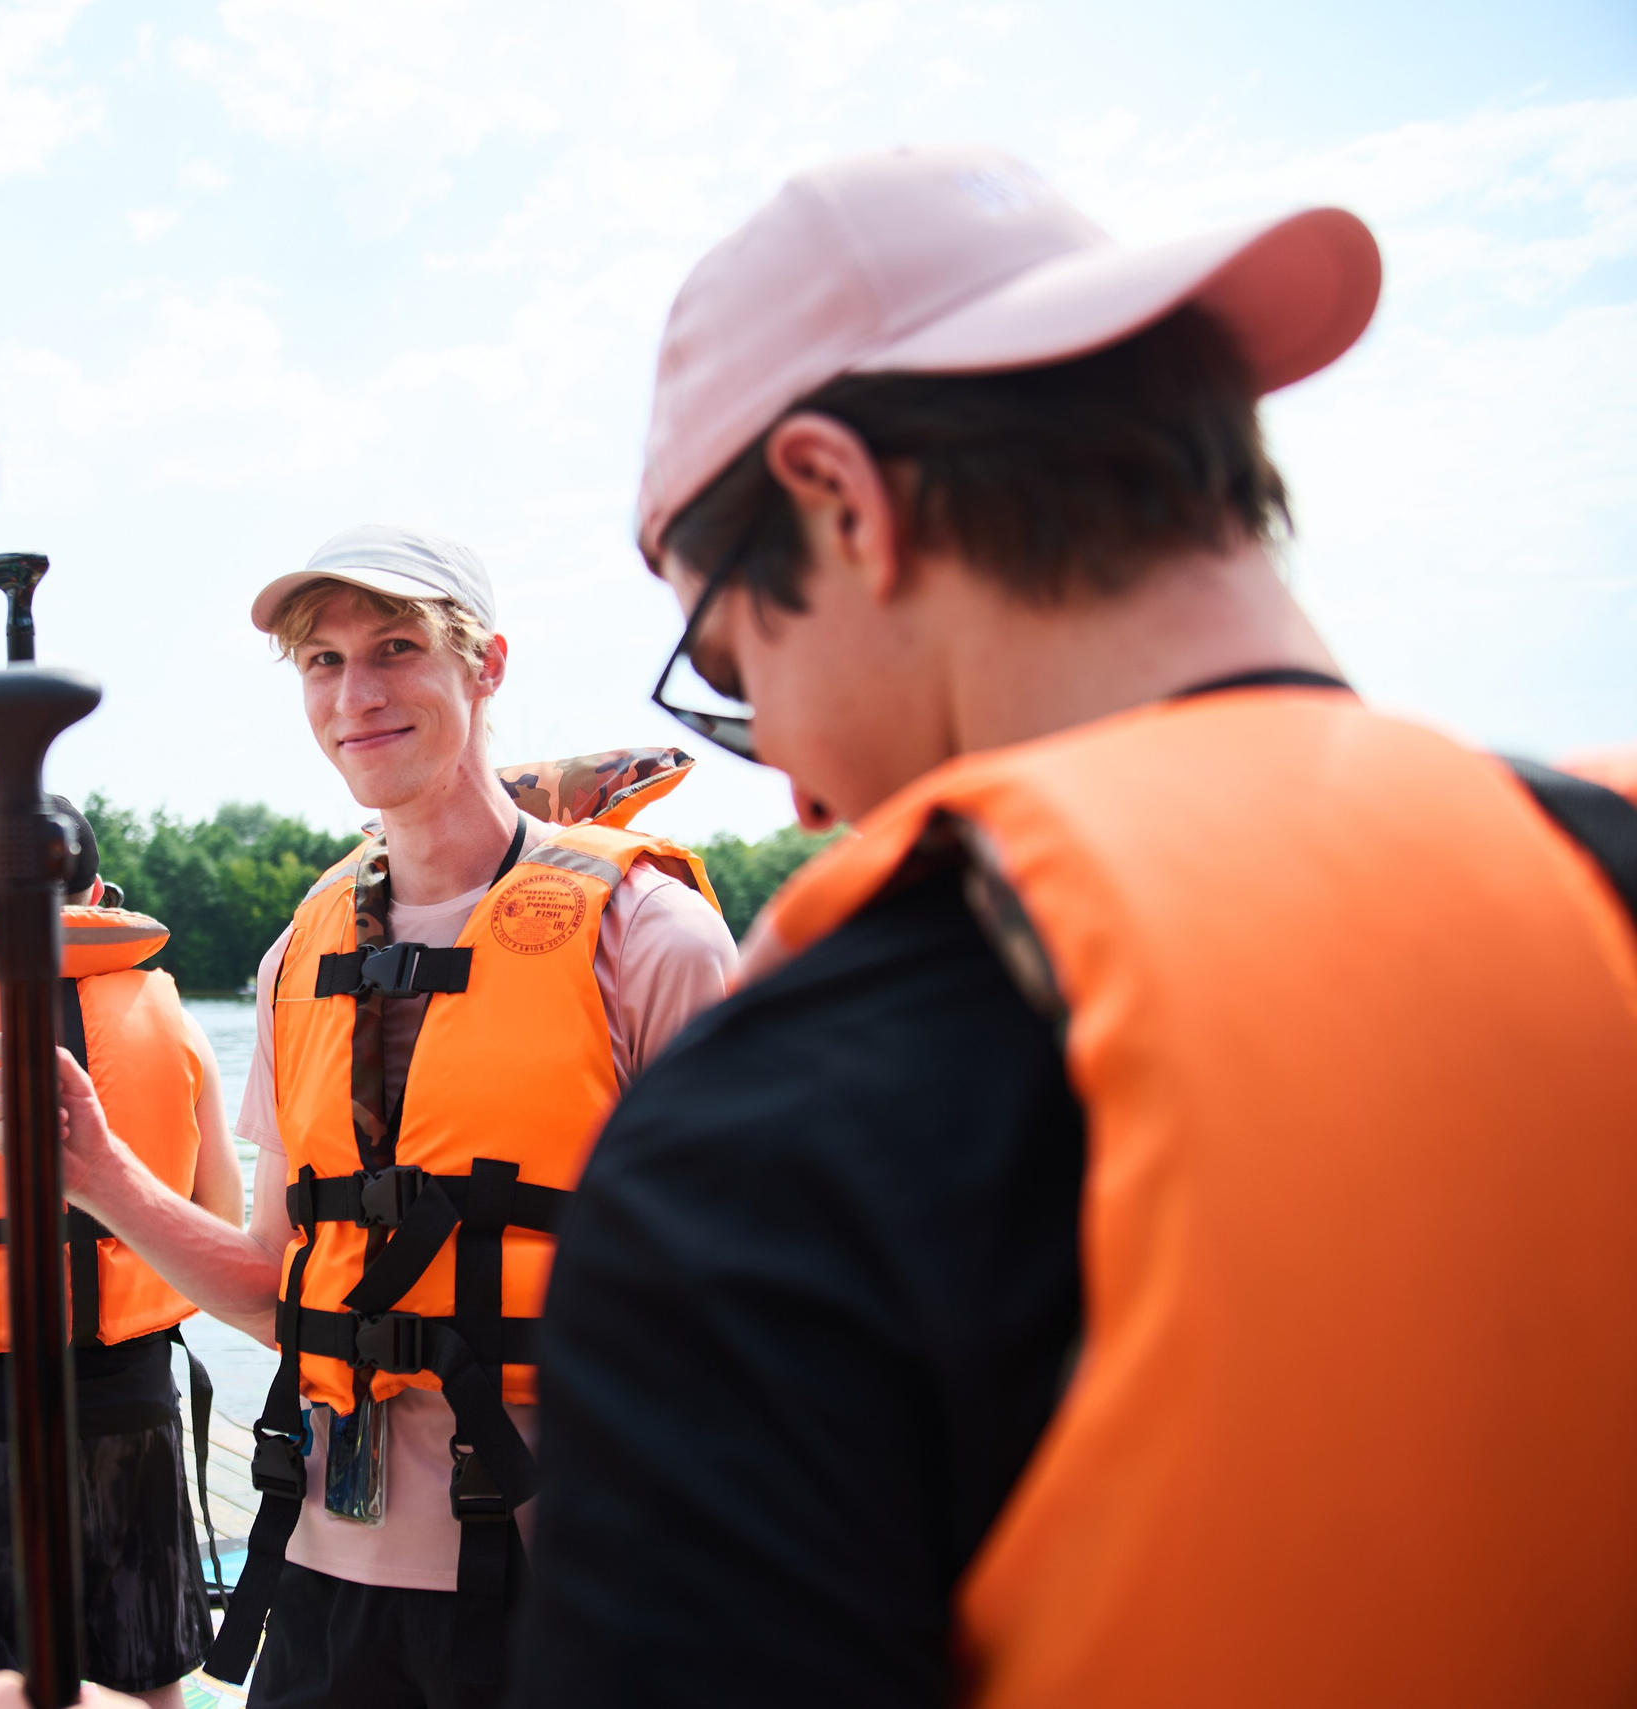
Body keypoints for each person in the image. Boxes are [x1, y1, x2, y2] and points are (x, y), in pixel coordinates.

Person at [513, 144, 1637, 1708]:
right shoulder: (1614, 881)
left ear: (840, 502)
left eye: (732, 675)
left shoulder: (778, 1139)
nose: (800, 806)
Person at [19, 524, 736, 1708]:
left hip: (565, 1584)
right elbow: (271, 1285)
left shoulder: (646, 936)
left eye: (395, 648)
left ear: (485, 664)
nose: (357, 694)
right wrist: (97, 1173)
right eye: (321, 660)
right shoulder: (300, 955)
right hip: (319, 1578)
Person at [0, 796, 244, 1708]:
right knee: (150, 1675)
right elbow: (220, 1217)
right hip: (136, 1388)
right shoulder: (180, 1027)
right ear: (99, 893)